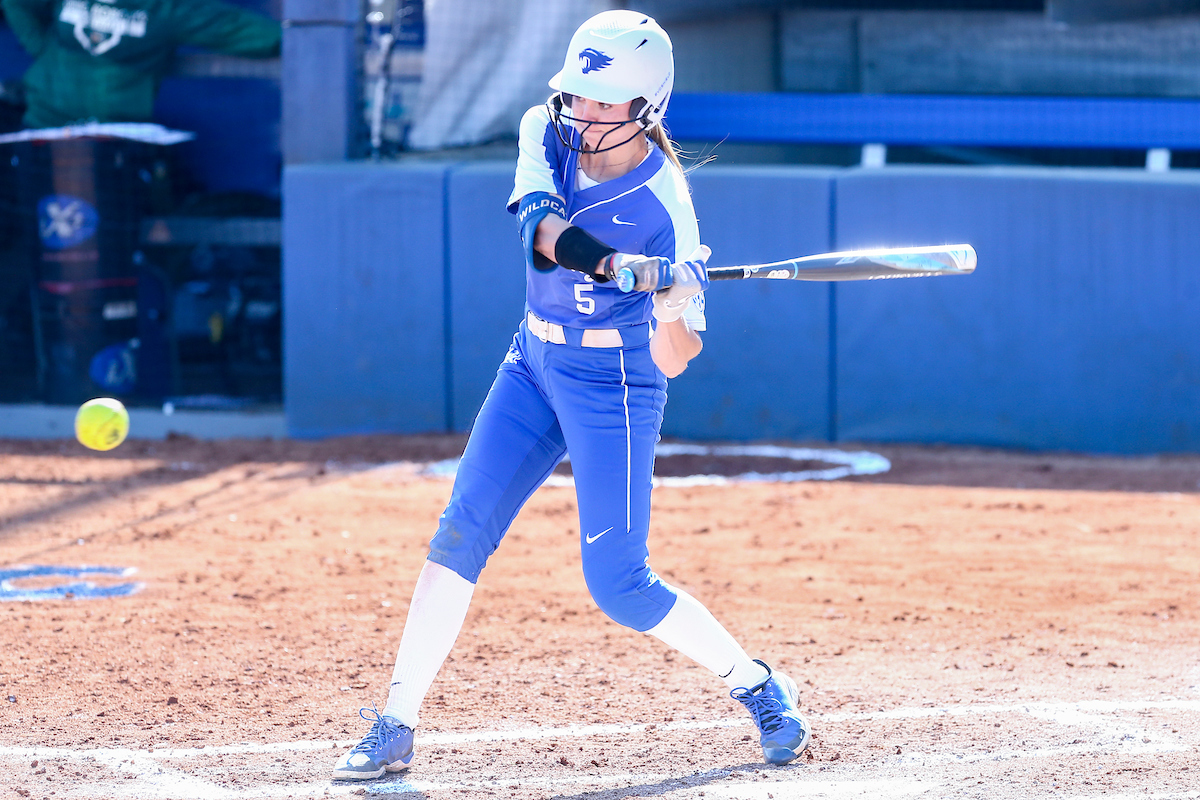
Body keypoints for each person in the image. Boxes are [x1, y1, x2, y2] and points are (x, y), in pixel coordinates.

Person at [332, 9, 812, 781]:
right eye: (578, 98)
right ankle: (395, 722)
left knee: (619, 585)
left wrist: (668, 302)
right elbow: (541, 230)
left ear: (645, 109)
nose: (582, 115)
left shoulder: (670, 211)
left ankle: (757, 685)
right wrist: (613, 264)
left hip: (614, 383)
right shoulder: (544, 130)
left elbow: (678, 359)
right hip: (532, 364)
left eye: (602, 104)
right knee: (460, 533)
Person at [1, 0, 280, 129]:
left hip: (115, 137)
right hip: (44, 126)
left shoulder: (168, 9)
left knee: (103, 233)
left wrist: (306, 37)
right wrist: (41, 48)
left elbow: (240, 30)